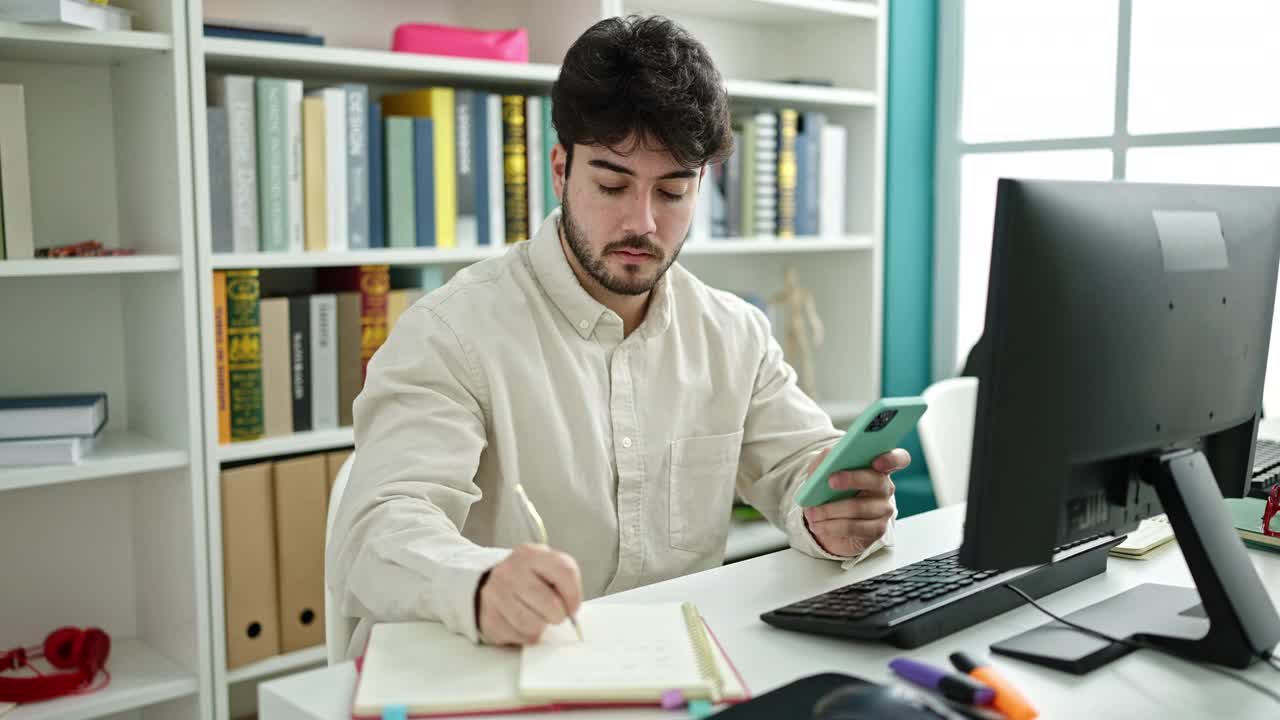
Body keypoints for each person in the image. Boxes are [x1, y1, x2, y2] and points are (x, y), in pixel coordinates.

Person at [326, 14, 909, 658]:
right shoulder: (450, 333)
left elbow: (802, 467)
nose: (642, 222)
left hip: (672, 672)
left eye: (673, 192)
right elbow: (378, 527)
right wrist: (479, 582)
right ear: (559, 169)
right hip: (495, 671)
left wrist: (836, 513)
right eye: (611, 185)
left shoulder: (734, 333)